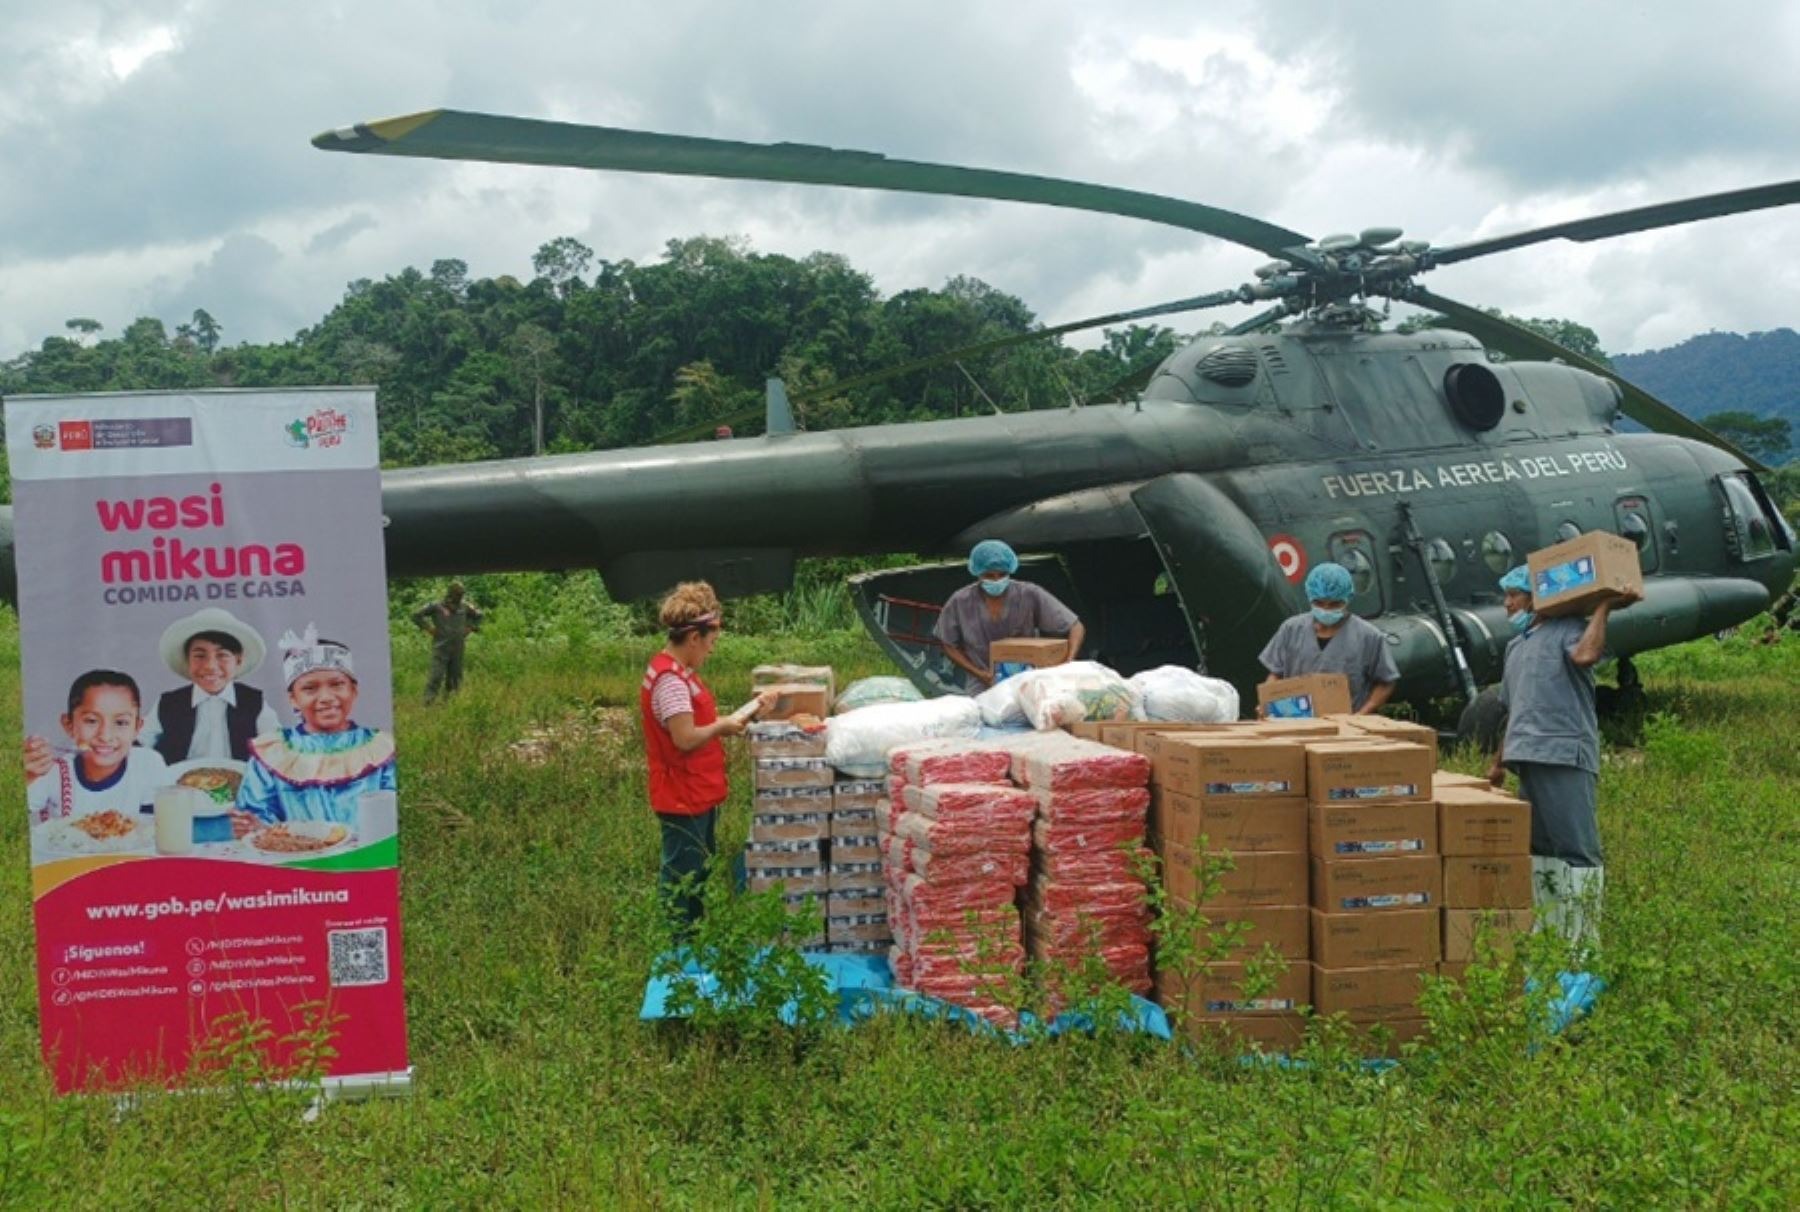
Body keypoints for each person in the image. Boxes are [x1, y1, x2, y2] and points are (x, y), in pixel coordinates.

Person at [1485, 565, 1640, 953]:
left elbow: (1587, 654)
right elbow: (1514, 707)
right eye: (1506, 597)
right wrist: (1498, 761)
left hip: (1562, 752)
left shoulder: (1569, 629)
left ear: (1536, 598)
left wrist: (1602, 608)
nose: (1507, 605)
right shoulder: (1516, 646)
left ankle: (1585, 942)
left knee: (1576, 847)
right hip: (1526, 755)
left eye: (1514, 596)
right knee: (1539, 847)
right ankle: (1551, 930)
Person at [639, 582, 770, 934]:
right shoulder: (671, 682)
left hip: (695, 791)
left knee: (695, 870)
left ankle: (691, 941)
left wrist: (744, 714)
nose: (711, 651)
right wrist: (721, 727)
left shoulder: (678, 673)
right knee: (681, 876)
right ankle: (680, 947)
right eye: (711, 642)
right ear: (694, 637)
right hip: (682, 794)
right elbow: (684, 738)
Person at [234, 625, 395, 831]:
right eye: (310, 688)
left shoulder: (381, 748)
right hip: (297, 859)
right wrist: (254, 826)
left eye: (337, 684)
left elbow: (393, 813)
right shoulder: (273, 752)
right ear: (293, 699)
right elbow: (257, 813)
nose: (327, 698)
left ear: (354, 691)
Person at [933, 539, 1085, 692]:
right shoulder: (960, 601)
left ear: (1010, 571)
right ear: (977, 572)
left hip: (1027, 682)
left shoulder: (1029, 594)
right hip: (982, 684)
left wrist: (1069, 661)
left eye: (1002, 574)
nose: (996, 580)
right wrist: (981, 674)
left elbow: (1076, 627)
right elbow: (947, 643)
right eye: (989, 575)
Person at [27, 671, 169, 825]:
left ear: (137, 728)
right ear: (69, 725)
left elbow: (158, 829)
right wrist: (25, 778)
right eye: (91, 721)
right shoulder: (50, 772)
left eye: (121, 723)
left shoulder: (148, 764)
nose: (105, 736)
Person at [1258, 562, 1400, 714]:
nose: (1326, 610)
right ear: (1310, 597)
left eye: (1334, 604)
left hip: (1345, 725)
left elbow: (1386, 682)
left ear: (1347, 599)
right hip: (1296, 718)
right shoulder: (1291, 629)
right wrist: (1267, 702)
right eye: (1319, 603)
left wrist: (1361, 715)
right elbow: (1275, 673)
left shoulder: (1368, 636)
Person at [413, 581, 483, 704]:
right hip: (441, 647)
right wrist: (428, 628)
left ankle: (451, 702)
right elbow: (416, 615)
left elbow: (479, 615)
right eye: (457, 594)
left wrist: (470, 627)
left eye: (461, 594)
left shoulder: (465, 606)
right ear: (451, 594)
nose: (460, 597)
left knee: (455, 676)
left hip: (458, 647)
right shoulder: (437, 606)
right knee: (436, 675)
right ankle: (428, 702)